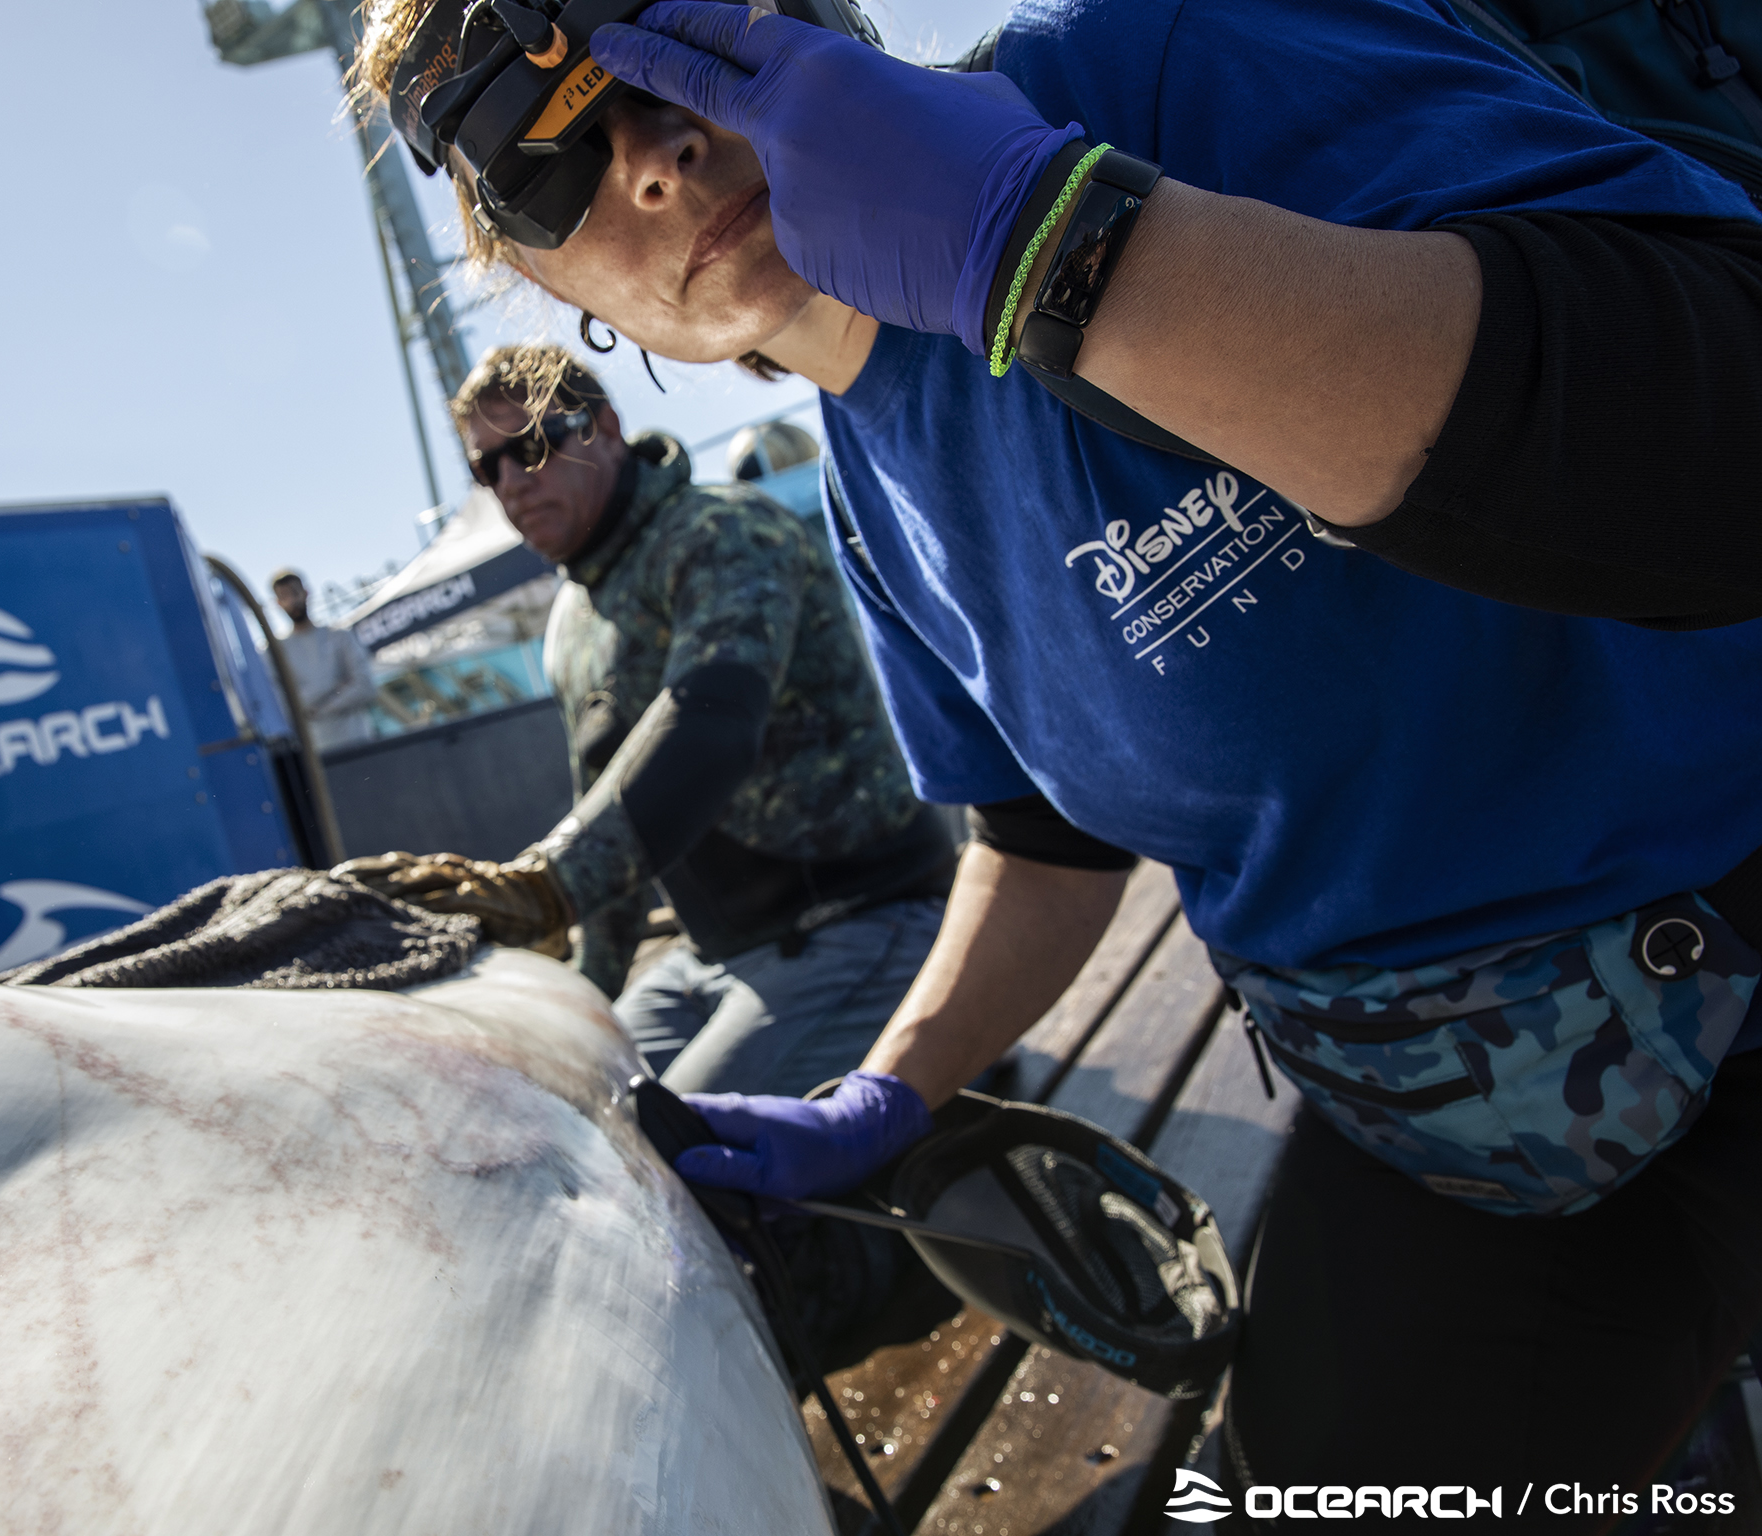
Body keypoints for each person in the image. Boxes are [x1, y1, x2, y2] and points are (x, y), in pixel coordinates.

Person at [352, 0, 1762, 1497]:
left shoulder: (1144, 73)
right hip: (1452, 1130)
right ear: (550, 285)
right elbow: (1041, 847)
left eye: (685, 41)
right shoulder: (869, 506)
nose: (656, 156)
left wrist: (1052, 241)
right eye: (549, 158)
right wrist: (886, 1094)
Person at [339, 344, 959, 1101]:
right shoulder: (571, 622)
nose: (510, 483)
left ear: (603, 427)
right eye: (486, 468)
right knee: (562, 1108)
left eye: (529, 447)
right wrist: (586, 998)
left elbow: (712, 723)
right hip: (712, 955)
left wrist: (543, 888)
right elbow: (609, 823)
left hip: (863, 919)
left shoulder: (724, 531)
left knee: (674, 1149)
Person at [269, 568, 380, 751]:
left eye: (295, 593)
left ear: (306, 593)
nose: (292, 601)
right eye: (285, 596)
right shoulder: (275, 651)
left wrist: (317, 708)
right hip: (314, 753)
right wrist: (338, 689)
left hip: (359, 744)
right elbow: (280, 704)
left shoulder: (340, 636)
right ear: (278, 603)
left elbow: (366, 686)